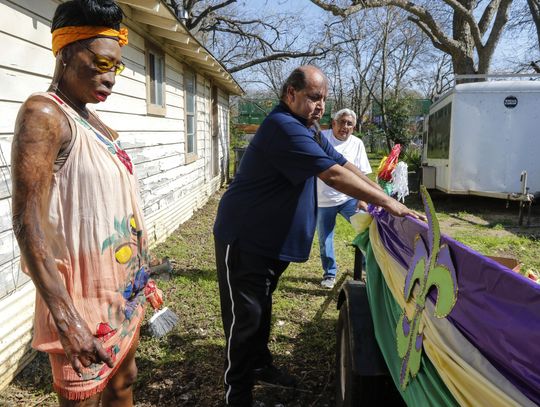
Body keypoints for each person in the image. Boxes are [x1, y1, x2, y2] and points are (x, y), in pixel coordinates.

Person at [213, 65, 422, 407]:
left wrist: (384, 195)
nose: (320, 106)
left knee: (262, 307)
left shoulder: (308, 128)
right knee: (245, 319)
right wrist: (387, 204)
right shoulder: (283, 126)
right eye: (313, 97)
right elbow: (333, 176)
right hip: (245, 237)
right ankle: (236, 394)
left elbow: (345, 164)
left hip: (269, 240)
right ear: (290, 94)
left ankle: (261, 364)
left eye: (324, 99)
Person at [11, 1, 151, 405]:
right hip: (80, 297)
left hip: (120, 291)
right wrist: (67, 319)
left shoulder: (92, 120)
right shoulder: (45, 115)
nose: (111, 78)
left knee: (124, 381)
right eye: (102, 63)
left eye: (117, 68)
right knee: (84, 396)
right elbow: (28, 224)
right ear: (67, 52)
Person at [317, 108, 371, 289]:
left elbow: (362, 173)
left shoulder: (357, 144)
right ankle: (329, 274)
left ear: (354, 128)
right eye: (342, 122)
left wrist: (362, 198)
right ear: (333, 123)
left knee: (366, 232)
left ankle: (366, 269)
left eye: (349, 124)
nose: (345, 126)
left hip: (349, 198)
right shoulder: (320, 137)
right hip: (323, 200)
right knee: (325, 240)